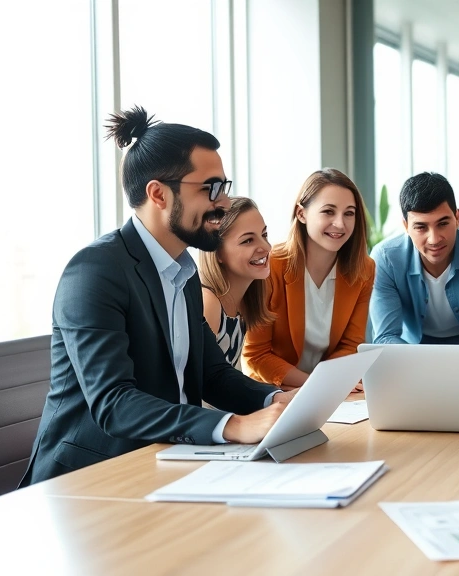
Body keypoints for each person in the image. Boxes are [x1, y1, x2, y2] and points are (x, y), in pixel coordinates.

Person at [21, 107, 292, 486]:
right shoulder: (95, 272)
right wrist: (232, 425)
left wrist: (275, 400)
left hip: (168, 461)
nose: (224, 203)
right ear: (158, 194)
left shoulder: (183, 270)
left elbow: (211, 373)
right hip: (92, 480)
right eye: (211, 188)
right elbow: (114, 403)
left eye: (224, 187)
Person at [243, 168, 375, 391]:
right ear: (302, 214)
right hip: (274, 391)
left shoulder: (363, 268)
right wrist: (317, 385)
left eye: (349, 213)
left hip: (329, 391)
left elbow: (350, 344)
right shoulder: (270, 265)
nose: (340, 224)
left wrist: (325, 386)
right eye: (328, 212)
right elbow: (256, 355)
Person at [370, 172, 459, 345]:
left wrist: (445, 367)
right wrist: (426, 365)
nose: (434, 239)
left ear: (457, 218)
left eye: (443, 223)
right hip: (413, 349)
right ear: (406, 226)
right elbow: (385, 337)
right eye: (421, 227)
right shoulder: (386, 258)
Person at [197, 197, 274, 368]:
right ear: (217, 253)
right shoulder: (209, 302)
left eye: (264, 235)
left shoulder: (245, 302)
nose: (267, 247)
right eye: (248, 240)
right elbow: (195, 385)